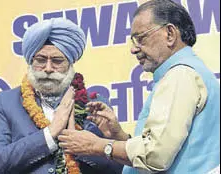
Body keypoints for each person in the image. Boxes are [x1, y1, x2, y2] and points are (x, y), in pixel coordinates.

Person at [58, 0, 220, 173]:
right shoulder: (188, 72)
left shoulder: (180, 75)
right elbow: (161, 148)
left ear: (170, 34)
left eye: (141, 38)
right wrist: (118, 136)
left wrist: (97, 145)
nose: (134, 49)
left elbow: (156, 156)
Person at [0, 18, 123, 173]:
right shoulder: (3, 103)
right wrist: (49, 134)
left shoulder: (95, 104)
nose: (48, 68)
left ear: (70, 64)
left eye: (57, 61)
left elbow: (120, 168)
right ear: (30, 61)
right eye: (41, 60)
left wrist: (86, 146)